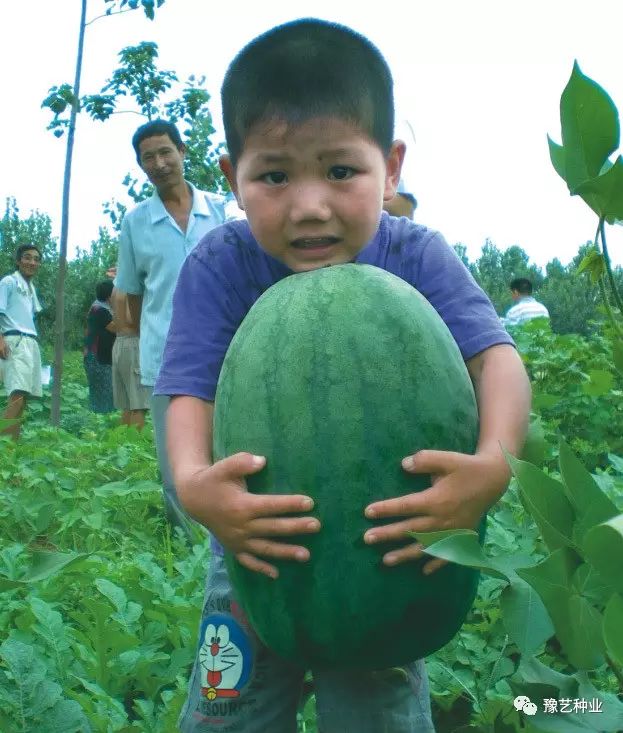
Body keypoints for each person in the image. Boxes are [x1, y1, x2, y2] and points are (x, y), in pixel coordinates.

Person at [155, 18, 531, 733]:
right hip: (250, 552)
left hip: (387, 553)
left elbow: (497, 360)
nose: (309, 206)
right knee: (226, 711)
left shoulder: (418, 255)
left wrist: (492, 466)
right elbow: (188, 392)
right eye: (273, 175)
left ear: (390, 167)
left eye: (339, 171)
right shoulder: (220, 264)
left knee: (377, 715)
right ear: (232, 174)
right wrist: (195, 483)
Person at [115, 119, 228, 529]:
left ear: (182, 152)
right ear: (141, 166)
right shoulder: (135, 223)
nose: (159, 163)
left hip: (229, 350)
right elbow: (131, 291)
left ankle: (228, 539)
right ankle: (186, 554)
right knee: (176, 462)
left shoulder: (222, 211)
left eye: (166, 152)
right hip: (166, 355)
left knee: (231, 446)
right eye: (149, 158)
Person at [0, 244, 43, 441]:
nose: (32, 262)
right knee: (16, 396)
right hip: (14, 340)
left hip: (29, 342)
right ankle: (3, 448)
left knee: (22, 398)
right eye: (27, 257)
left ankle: (12, 448)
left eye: (36, 259)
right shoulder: (9, 282)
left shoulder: (30, 288)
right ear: (18, 261)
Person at [83, 280, 116, 414]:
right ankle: (100, 427)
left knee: (106, 395)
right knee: (103, 398)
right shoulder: (100, 310)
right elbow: (117, 328)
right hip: (97, 360)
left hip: (100, 359)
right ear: (110, 296)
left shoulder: (101, 308)